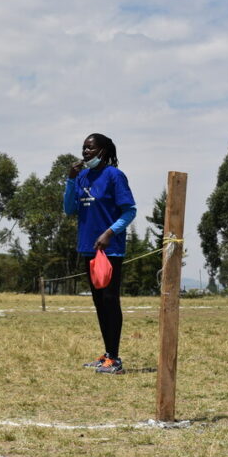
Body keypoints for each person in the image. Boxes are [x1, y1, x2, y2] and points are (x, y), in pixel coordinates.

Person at [64, 133, 136, 375]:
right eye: (84, 148)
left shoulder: (115, 176)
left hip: (110, 249)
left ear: (103, 151)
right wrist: (70, 181)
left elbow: (129, 211)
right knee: (98, 301)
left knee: (109, 300)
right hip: (88, 247)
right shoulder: (82, 176)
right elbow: (69, 209)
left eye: (91, 148)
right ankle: (107, 355)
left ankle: (115, 359)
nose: (85, 152)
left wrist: (109, 233)